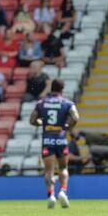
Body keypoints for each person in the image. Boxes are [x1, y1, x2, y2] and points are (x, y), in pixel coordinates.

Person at [30, 79, 80, 209]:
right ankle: (63, 191)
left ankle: (51, 195)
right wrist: (67, 127)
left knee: (49, 171)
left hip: (47, 140)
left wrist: (42, 123)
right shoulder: (67, 103)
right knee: (63, 168)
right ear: (62, 89)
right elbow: (75, 117)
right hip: (61, 139)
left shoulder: (42, 103)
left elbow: (32, 120)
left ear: (51, 88)